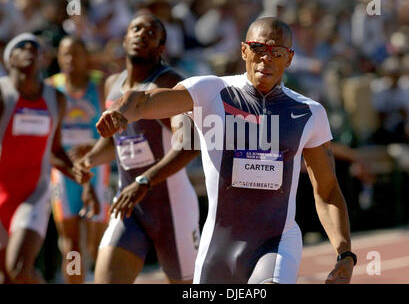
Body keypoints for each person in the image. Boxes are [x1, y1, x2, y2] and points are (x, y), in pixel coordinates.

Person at [97, 17, 356, 284]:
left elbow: (326, 190)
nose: (266, 59)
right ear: (244, 50)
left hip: (275, 244)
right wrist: (120, 111)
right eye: (258, 49)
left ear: (288, 59)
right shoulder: (211, 92)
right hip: (217, 249)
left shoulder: (309, 113)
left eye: (277, 53)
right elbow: (144, 99)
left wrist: (344, 254)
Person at [76, 12, 200, 284]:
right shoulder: (111, 84)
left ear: (160, 48)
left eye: (151, 32)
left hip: (172, 209)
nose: (142, 34)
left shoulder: (169, 84)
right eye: (136, 29)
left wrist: (145, 181)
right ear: (124, 39)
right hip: (130, 206)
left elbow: (191, 146)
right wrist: (88, 161)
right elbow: (114, 142)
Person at [0, 33, 91, 284]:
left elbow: (55, 149)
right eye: (22, 47)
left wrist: (81, 176)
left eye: (35, 48)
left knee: (19, 268)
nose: (30, 50)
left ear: (43, 59)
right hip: (1, 191)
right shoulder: (2, 93)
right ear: (9, 58)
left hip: (34, 193)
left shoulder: (55, 98)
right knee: (8, 277)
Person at [46, 36, 110, 284]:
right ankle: (75, 281)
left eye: (76, 53)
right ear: (59, 58)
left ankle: (94, 270)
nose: (71, 59)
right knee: (71, 242)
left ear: (86, 57)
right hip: (64, 171)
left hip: (96, 168)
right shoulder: (51, 87)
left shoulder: (100, 84)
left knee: (95, 242)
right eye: (65, 54)